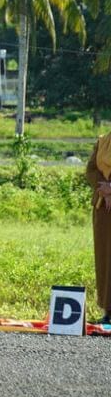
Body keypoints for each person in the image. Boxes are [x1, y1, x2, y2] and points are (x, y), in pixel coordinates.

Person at [84, 134, 111, 325]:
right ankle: (108, 309)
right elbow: (91, 169)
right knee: (105, 259)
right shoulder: (103, 140)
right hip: (103, 208)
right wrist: (103, 188)